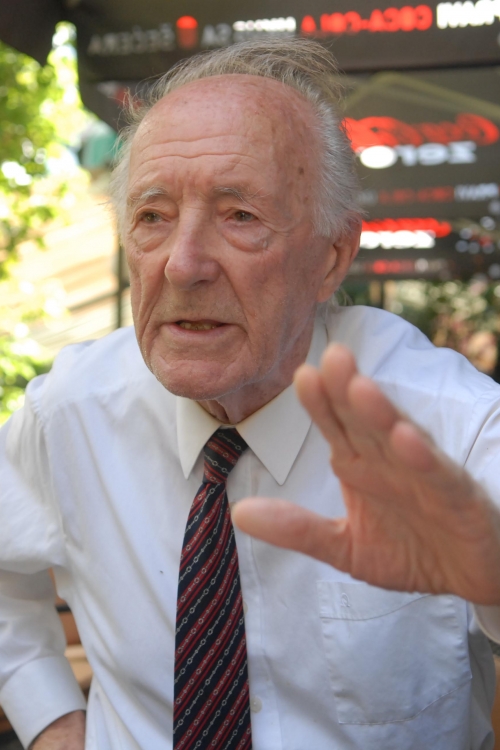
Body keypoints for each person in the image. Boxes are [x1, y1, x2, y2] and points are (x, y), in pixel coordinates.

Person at [1, 38, 500, 750]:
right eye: (152, 216)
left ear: (332, 257)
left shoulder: (450, 427)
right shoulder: (71, 412)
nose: (183, 264)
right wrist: (52, 722)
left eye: (240, 215)